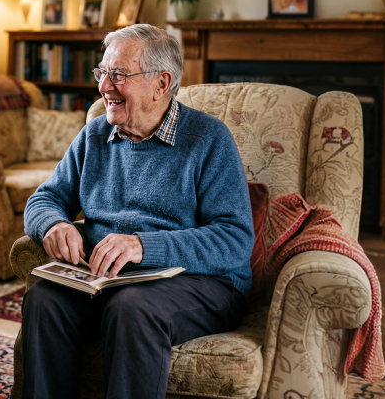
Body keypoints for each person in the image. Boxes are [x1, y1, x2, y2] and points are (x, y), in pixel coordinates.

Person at [20, 24, 253, 399]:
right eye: (102, 73)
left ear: (161, 84)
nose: (104, 86)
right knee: (45, 299)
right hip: (107, 279)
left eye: (119, 75)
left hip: (200, 283)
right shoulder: (94, 136)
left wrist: (143, 246)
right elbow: (43, 199)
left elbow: (234, 240)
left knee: (132, 308)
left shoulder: (209, 139)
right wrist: (53, 225)